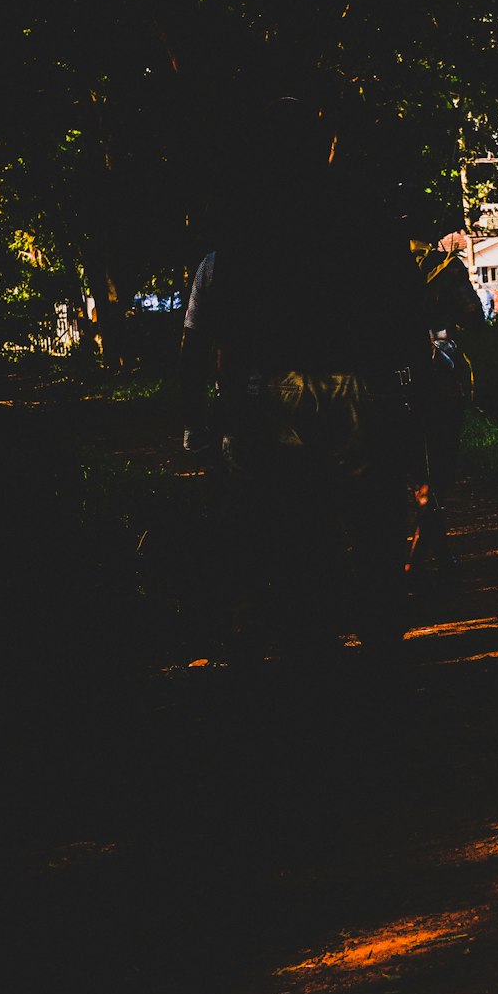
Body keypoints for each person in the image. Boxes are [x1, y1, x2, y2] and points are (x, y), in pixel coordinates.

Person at [180, 95, 431, 663]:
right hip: (361, 391)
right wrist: (413, 405)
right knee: (372, 520)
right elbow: (407, 319)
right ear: (327, 147)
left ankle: (310, 644)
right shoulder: (369, 218)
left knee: (295, 523)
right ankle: (380, 636)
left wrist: (198, 425)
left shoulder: (240, 228)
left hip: (271, 395)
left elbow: (200, 338)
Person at [402, 190, 485, 581]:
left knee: (413, 473)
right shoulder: (446, 268)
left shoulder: (375, 268)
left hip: (387, 383)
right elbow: (475, 318)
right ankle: (423, 558)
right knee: (436, 474)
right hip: (439, 381)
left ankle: (428, 552)